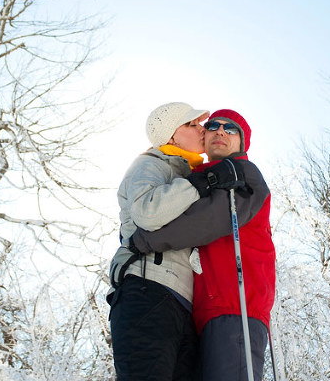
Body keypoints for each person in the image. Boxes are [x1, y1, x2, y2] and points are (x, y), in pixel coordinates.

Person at [107, 103, 261, 381]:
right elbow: (148, 212)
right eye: (192, 125)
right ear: (171, 137)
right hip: (147, 289)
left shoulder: (186, 172)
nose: (202, 129)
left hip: (181, 303)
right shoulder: (151, 163)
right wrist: (202, 182)